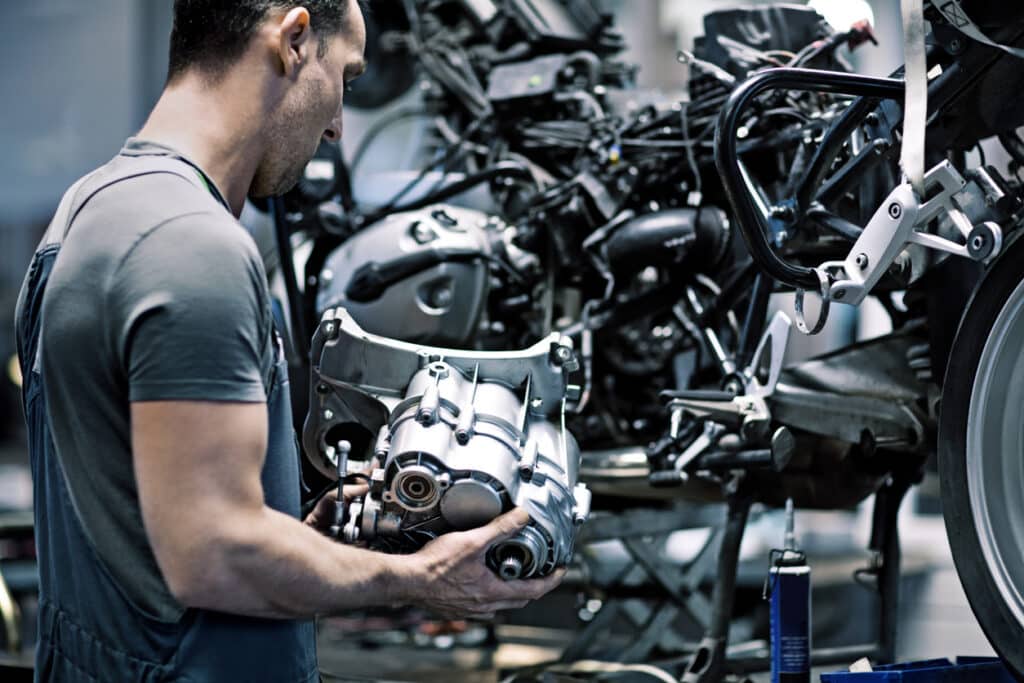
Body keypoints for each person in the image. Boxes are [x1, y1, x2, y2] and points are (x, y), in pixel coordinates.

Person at [14, 1, 563, 680]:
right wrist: (421, 575)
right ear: (294, 38)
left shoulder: (87, 211)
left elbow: (141, 527)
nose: (336, 125)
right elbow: (215, 554)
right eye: (346, 77)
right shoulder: (191, 247)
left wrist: (300, 542)